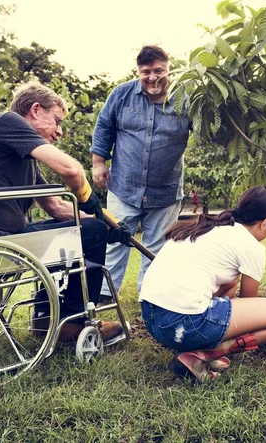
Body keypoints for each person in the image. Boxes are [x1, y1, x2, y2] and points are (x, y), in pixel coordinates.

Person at [0, 81, 124, 342]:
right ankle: (68, 321)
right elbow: (72, 170)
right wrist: (87, 197)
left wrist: (103, 221)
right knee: (90, 233)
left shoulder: (22, 157)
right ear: (35, 110)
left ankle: (49, 319)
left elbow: (56, 206)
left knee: (92, 229)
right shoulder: (8, 122)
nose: (60, 132)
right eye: (56, 121)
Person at [139, 186, 266, 382]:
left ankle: (198, 346)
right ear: (265, 223)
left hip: (153, 320)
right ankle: (204, 354)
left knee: (231, 282)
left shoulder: (209, 227)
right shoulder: (251, 246)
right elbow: (249, 302)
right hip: (184, 324)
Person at [90, 45, 191, 302]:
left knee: (156, 248)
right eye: (146, 71)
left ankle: (148, 297)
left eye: (159, 70)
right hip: (124, 186)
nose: (152, 77)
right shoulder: (122, 94)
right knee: (114, 242)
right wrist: (98, 162)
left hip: (165, 191)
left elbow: (209, 128)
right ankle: (104, 295)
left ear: (168, 68)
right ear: (138, 71)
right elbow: (104, 126)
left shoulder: (185, 98)